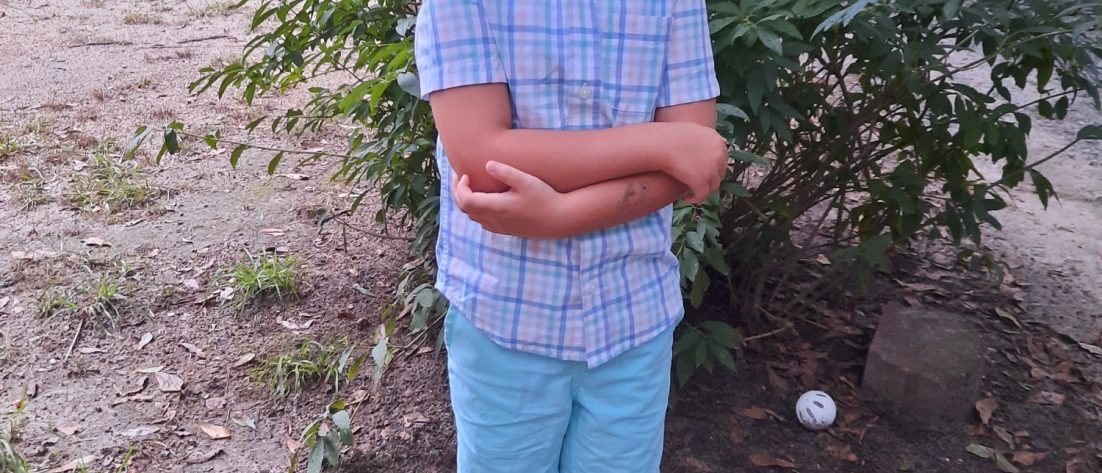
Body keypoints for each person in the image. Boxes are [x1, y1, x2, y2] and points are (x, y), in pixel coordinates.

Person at [414, 0, 725, 471]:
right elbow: (483, 159)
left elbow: (695, 161)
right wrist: (662, 143)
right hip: (505, 323)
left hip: (633, 318)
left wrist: (562, 214)